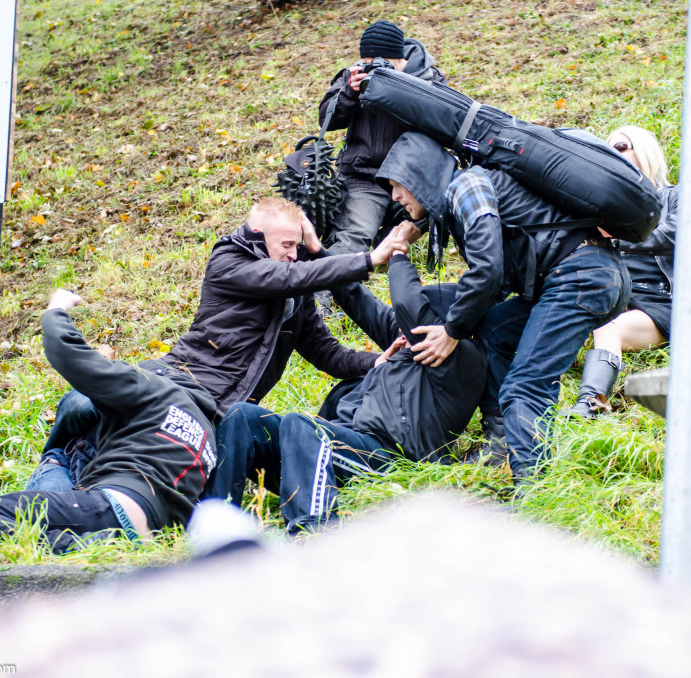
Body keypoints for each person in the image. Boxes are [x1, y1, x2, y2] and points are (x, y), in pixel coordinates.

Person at [26, 197, 408, 492]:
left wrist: (375, 363)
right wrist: (369, 259)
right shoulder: (229, 260)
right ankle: (55, 464)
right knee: (80, 402)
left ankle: (67, 476)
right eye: (287, 245)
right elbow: (281, 277)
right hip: (177, 380)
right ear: (259, 238)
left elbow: (328, 352)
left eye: (298, 247)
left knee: (104, 449)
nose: (294, 254)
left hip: (217, 410)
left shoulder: (296, 296)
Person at [376, 132, 630, 479]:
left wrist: (452, 331)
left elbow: (488, 269)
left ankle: (534, 492)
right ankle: (501, 442)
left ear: (417, 173)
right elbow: (495, 281)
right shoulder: (462, 195)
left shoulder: (466, 185)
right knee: (495, 328)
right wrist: (458, 322)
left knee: (525, 386)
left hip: (579, 276)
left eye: (397, 184)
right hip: (595, 273)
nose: (394, 196)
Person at [204, 239, 487, 531]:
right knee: (242, 416)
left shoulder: (462, 360)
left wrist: (399, 255)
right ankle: (215, 520)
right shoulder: (405, 344)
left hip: (384, 457)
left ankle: (312, 529)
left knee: (302, 425)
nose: (400, 324)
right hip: (330, 449)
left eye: (415, 317)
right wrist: (314, 251)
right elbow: (357, 299)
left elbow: (406, 303)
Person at [0, 289, 219, 553]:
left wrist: (57, 307)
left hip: (109, 506)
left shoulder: (150, 386)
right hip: (154, 533)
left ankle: (76, 546)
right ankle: (90, 544)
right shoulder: (207, 432)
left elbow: (69, 352)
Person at [312, 20, 445, 315]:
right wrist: (349, 91)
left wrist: (402, 88)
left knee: (443, 207)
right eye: (367, 61)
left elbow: (445, 123)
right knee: (354, 236)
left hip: (410, 179)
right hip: (365, 176)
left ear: (399, 58)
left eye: (380, 61)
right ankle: (317, 302)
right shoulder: (355, 74)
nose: (373, 66)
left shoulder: (427, 77)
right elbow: (326, 120)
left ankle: (393, 238)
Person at [565, 126, 678, 418]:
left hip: (660, 300)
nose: (612, 155)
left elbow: (675, 234)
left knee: (609, 328)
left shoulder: (673, 198)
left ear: (644, 150)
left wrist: (618, 238)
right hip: (614, 295)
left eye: (620, 147)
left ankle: (592, 404)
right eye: (607, 151)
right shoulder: (603, 211)